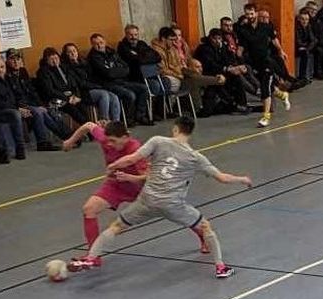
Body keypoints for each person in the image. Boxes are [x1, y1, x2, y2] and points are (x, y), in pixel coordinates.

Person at [68, 116, 253, 279]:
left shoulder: (158, 141)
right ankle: (220, 266)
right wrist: (242, 179)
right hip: (172, 204)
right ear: (190, 133)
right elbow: (221, 177)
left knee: (115, 227)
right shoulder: (196, 158)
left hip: (147, 199)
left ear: (175, 128)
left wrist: (113, 166)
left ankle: (91, 258)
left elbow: (131, 159)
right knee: (205, 226)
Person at [62, 121, 148, 251]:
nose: (109, 144)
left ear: (126, 137)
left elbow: (147, 179)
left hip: (139, 189)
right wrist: (70, 141)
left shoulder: (136, 150)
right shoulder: (106, 139)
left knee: (175, 212)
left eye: (113, 141)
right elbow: (89, 125)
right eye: (108, 140)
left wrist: (129, 178)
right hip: (116, 185)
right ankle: (93, 256)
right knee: (89, 209)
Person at [237, 3, 291, 127]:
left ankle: (266, 117)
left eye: (251, 13)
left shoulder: (266, 27)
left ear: (256, 13)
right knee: (267, 86)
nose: (250, 16)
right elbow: (241, 46)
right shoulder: (243, 30)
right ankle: (283, 95)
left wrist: (281, 51)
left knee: (265, 88)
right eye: (247, 14)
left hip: (267, 61)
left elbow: (274, 40)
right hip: (255, 63)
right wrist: (238, 55)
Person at [61, 42, 121, 121]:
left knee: (114, 96)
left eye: (74, 51)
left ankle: (116, 123)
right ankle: (104, 122)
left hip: (94, 88)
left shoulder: (84, 62)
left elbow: (93, 77)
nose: (73, 53)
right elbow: (81, 83)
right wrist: (97, 86)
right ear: (66, 54)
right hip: (83, 92)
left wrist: (99, 85)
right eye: (69, 52)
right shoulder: (67, 68)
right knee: (103, 94)